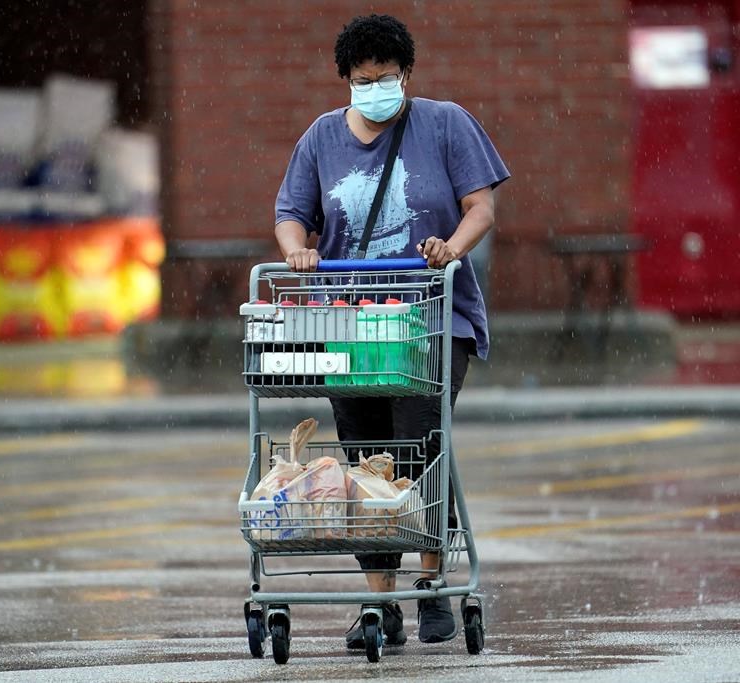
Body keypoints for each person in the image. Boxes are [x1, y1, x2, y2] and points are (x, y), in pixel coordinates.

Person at [273, 14, 509, 647]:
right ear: (346, 79)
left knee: (416, 444)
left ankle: (430, 582)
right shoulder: (321, 139)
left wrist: (449, 248)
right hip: (350, 322)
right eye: (362, 78)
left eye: (386, 77)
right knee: (364, 456)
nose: (374, 87)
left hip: (432, 318)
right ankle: (380, 604)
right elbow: (292, 214)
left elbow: (480, 206)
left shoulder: (445, 123)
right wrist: (298, 250)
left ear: (407, 75)